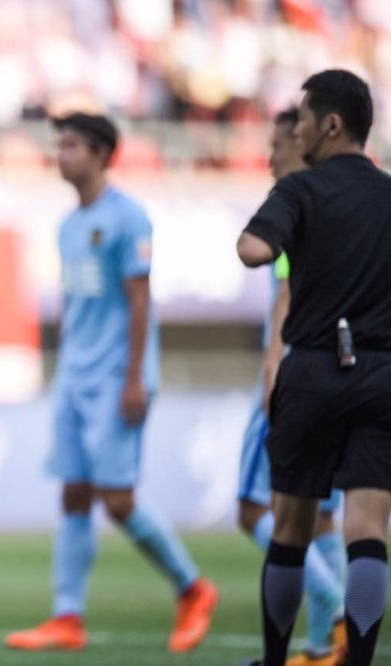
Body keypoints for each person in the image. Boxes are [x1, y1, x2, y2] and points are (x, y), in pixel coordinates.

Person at [5, 112, 218, 654]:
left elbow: (140, 301)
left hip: (117, 380)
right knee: (74, 494)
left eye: (71, 145)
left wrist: (134, 379)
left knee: (118, 501)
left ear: (101, 153)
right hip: (75, 380)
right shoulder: (66, 223)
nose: (61, 154)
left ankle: (193, 588)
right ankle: (67, 617)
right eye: (60, 145)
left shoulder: (128, 218)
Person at [237, 69, 391, 666]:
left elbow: (253, 250)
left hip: (314, 371)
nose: (294, 129)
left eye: (301, 118)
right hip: (380, 373)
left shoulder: (300, 190)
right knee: (368, 530)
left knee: (291, 529)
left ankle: (276, 662)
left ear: (331, 125)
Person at [236, 107, 347, 666]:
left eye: (279, 143)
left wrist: (273, 370)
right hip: (337, 371)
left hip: (294, 372)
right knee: (323, 515)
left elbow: (285, 295)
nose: (271, 153)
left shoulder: (293, 208)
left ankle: (337, 604)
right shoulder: (333, 208)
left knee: (254, 509)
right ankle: (326, 643)